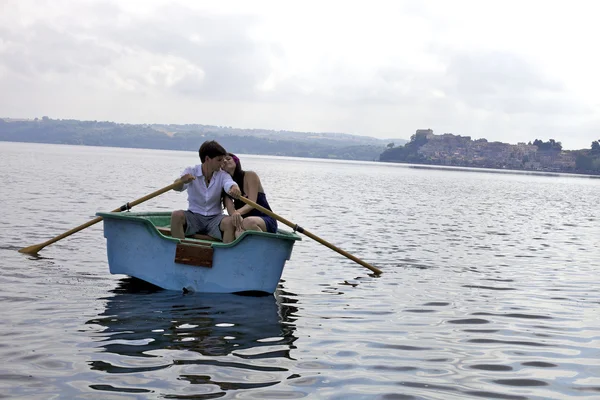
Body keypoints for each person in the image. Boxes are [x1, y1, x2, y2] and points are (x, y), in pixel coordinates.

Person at [171, 141, 241, 243]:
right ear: (207, 159)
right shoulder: (191, 171)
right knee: (176, 215)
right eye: (219, 160)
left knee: (230, 222)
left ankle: (225, 255)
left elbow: (229, 183)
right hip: (194, 215)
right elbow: (176, 187)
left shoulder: (223, 175)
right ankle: (181, 250)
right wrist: (181, 181)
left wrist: (234, 187)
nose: (222, 163)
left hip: (215, 218)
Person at [221, 153, 278, 238]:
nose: (225, 161)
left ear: (236, 161)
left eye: (228, 159)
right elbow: (231, 211)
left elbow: (252, 203)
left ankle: (265, 245)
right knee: (238, 232)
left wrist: (238, 212)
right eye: (222, 160)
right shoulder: (226, 186)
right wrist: (237, 219)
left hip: (264, 219)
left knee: (248, 222)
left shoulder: (250, 175)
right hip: (243, 221)